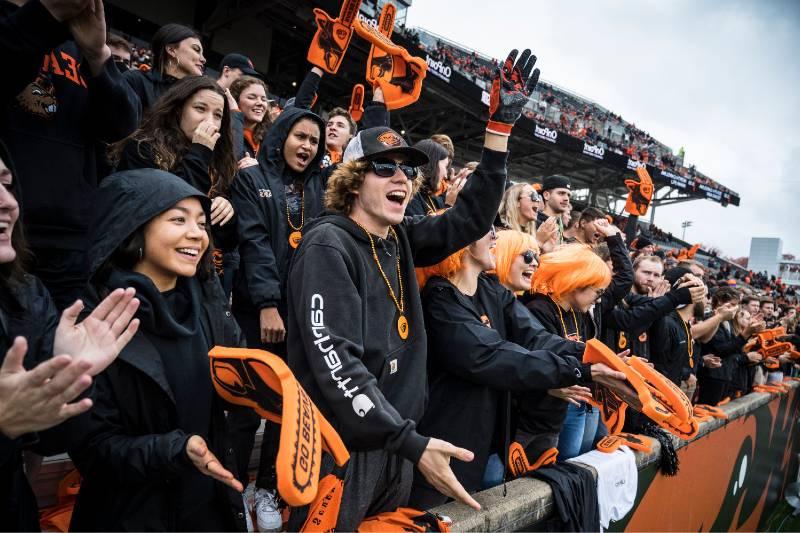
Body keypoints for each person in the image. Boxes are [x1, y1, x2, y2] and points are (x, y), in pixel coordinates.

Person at [286, 48, 541, 530]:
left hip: (395, 445)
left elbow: (470, 217)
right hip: (343, 446)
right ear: (353, 180)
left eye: (408, 169)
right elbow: (335, 358)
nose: (402, 176)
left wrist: (498, 134)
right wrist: (408, 441)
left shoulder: (399, 236)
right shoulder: (327, 244)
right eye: (385, 167)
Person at [68, 169, 247, 531]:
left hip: (209, 508)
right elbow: (94, 451)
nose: (197, 234)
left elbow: (237, 380)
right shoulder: (97, 321)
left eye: (201, 222)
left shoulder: (209, 302)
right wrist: (175, 451)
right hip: (133, 518)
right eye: (178, 219)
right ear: (133, 228)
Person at [408, 228, 629, 508]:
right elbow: (493, 355)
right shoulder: (439, 298)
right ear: (460, 242)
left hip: (485, 441)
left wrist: (597, 356)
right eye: (486, 231)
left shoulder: (491, 290)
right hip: (444, 441)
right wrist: (582, 371)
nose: (494, 238)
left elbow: (536, 338)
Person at [0, 142, 140, 530]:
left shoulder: (26, 294)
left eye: (8, 185)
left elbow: (55, 435)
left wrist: (69, 377)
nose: (8, 203)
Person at [1, 0, 139, 309]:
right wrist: (43, 17)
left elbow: (122, 125)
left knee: (58, 351)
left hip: (67, 239)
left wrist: (97, 55)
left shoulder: (77, 40)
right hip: (7, 224)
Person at [520, 220, 632, 460]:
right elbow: (539, 356)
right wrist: (596, 361)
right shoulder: (538, 308)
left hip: (560, 412)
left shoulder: (576, 311)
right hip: (532, 416)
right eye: (597, 293)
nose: (599, 300)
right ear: (577, 284)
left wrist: (606, 362)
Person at [109, 76, 238, 255]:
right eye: (200, 109)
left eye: (218, 115)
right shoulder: (143, 149)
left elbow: (227, 242)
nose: (210, 121)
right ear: (178, 110)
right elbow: (173, 207)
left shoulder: (220, 161)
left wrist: (227, 211)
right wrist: (200, 151)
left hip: (196, 268)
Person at [123, 23, 205, 113]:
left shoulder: (196, 96)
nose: (203, 59)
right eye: (196, 50)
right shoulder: (135, 81)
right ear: (171, 50)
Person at [498, 183, 557, 252]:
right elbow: (510, 260)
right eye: (533, 196)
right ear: (516, 201)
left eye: (538, 197)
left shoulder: (536, 230)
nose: (538, 200)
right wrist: (538, 242)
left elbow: (533, 262)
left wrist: (545, 251)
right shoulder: (499, 230)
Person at [405, 139, 449, 216]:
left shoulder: (425, 195)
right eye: (445, 166)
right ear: (433, 165)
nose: (446, 175)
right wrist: (448, 205)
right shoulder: (411, 197)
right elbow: (421, 227)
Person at [535, 175, 571, 244]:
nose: (566, 198)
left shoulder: (559, 225)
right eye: (561, 193)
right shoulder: (534, 223)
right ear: (546, 195)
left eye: (568, 195)